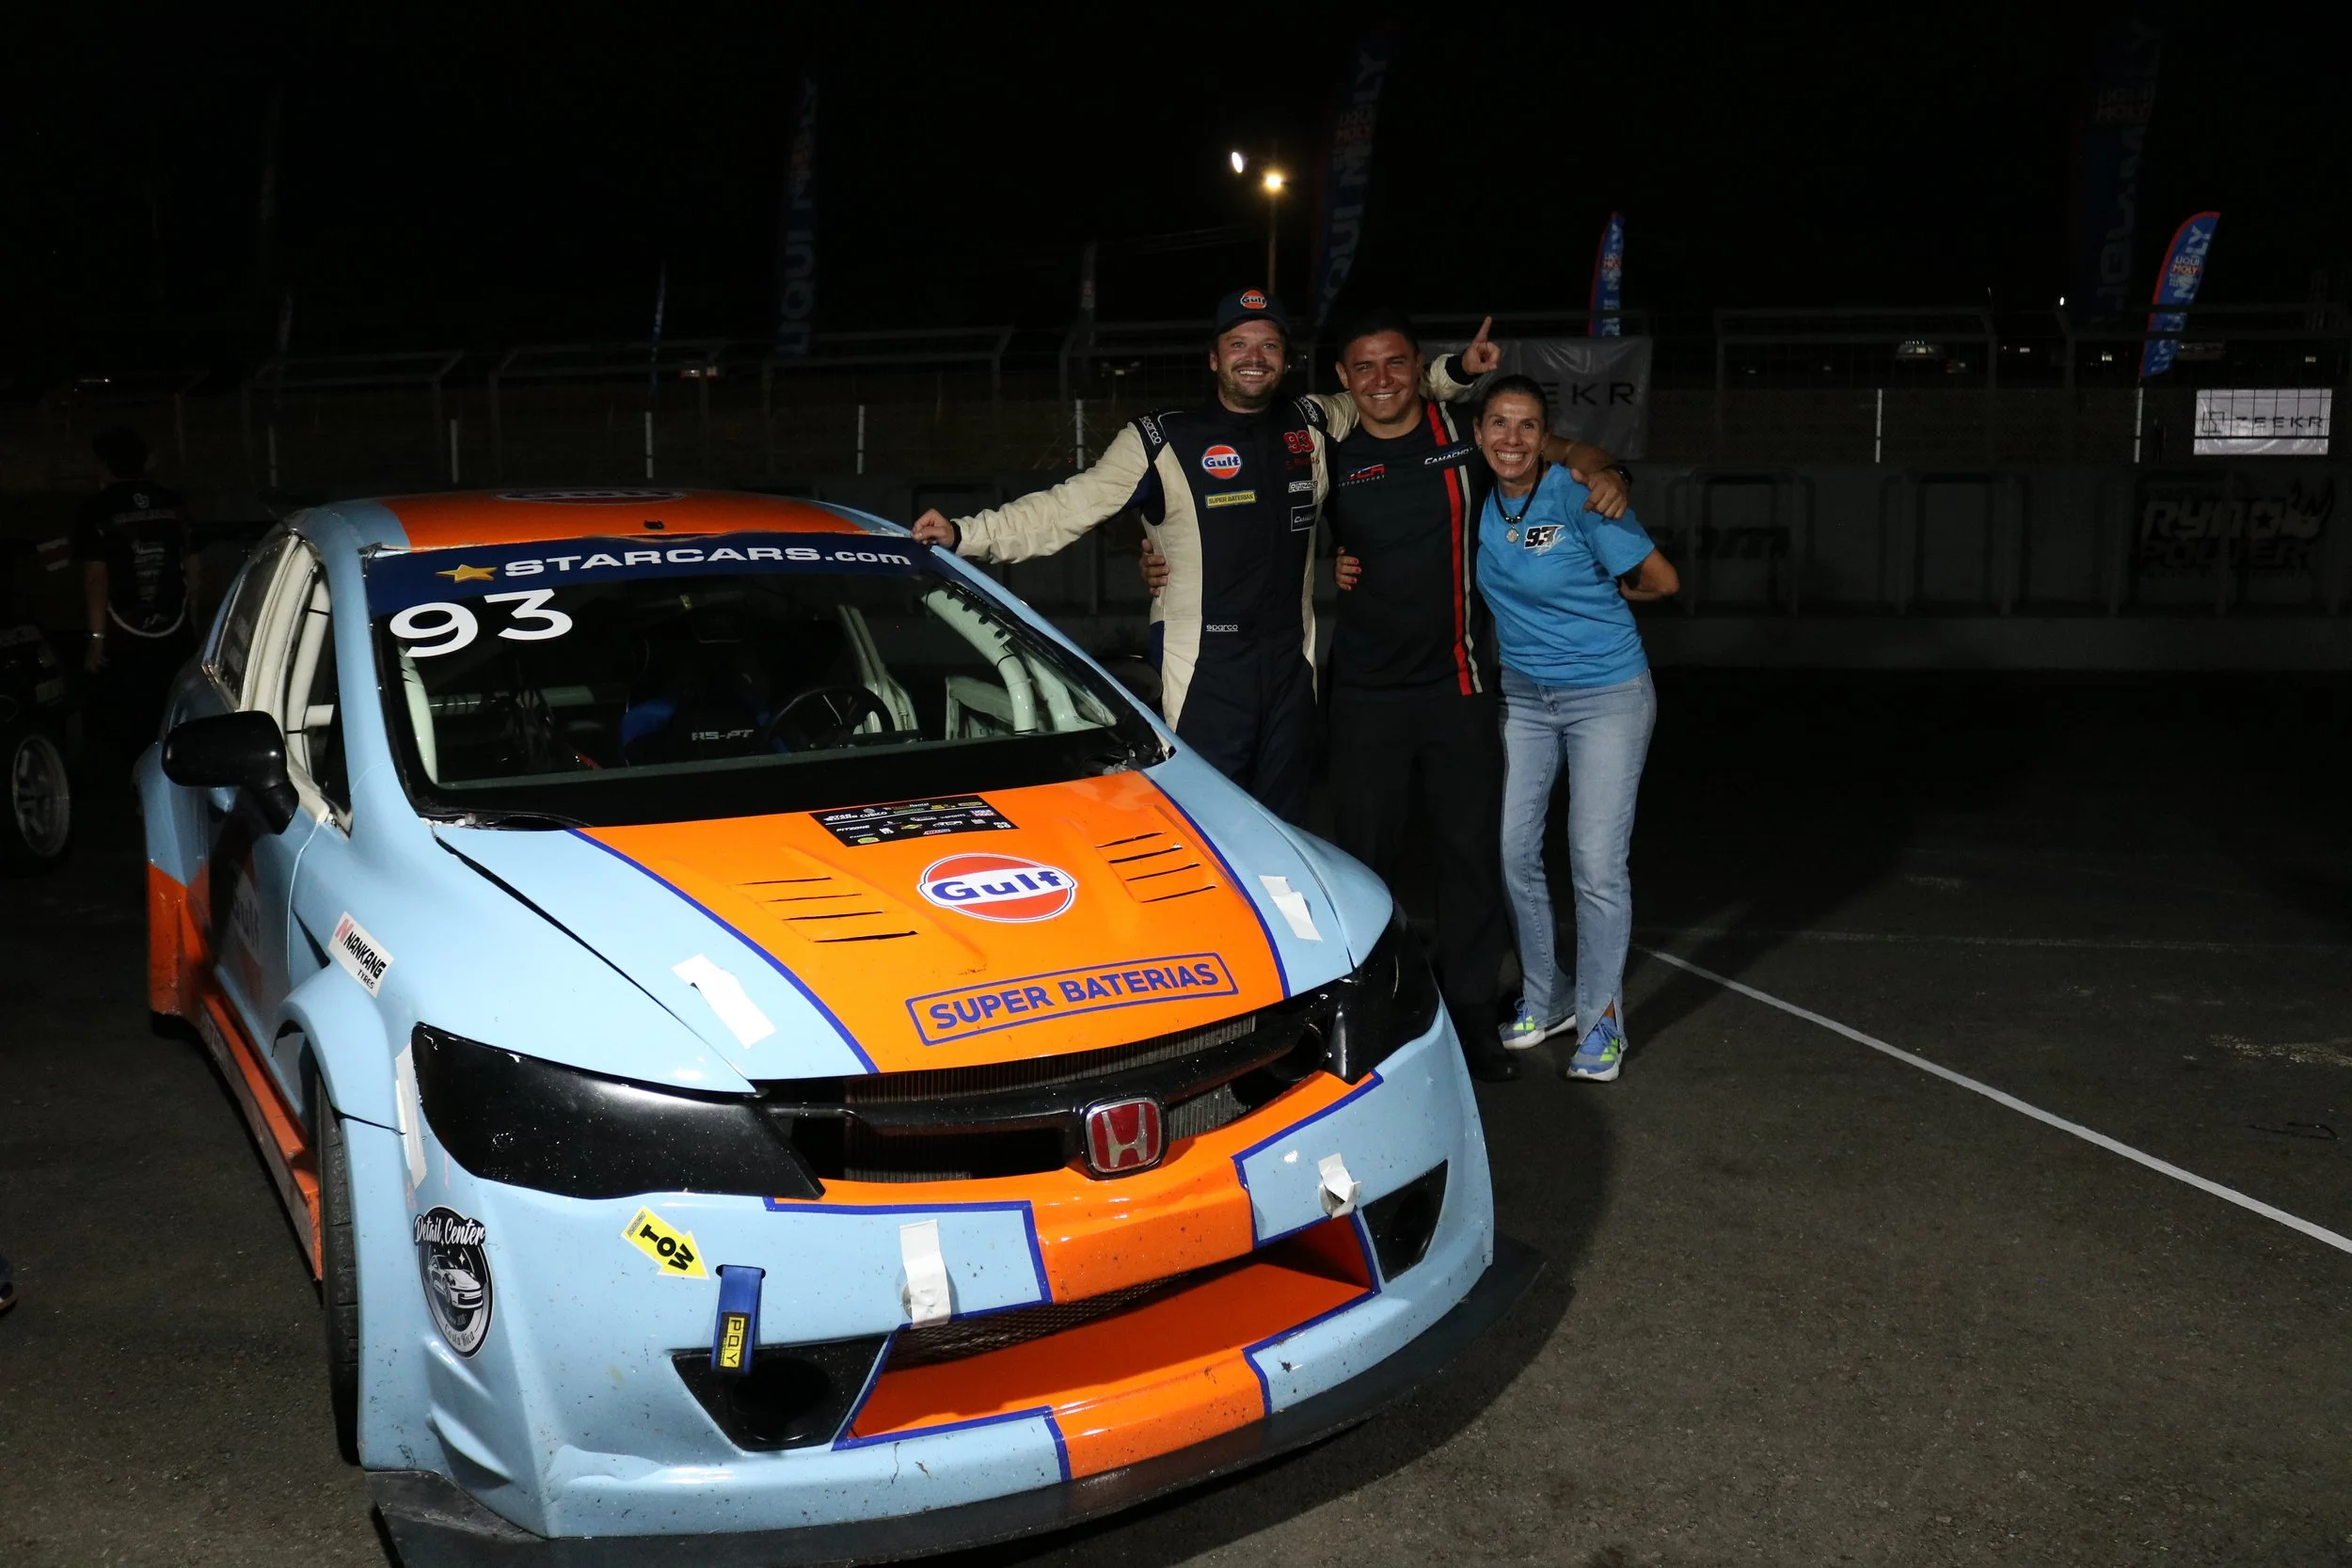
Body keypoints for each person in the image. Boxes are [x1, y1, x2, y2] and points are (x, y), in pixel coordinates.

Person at [1165, 309, 1626, 1082]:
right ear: (1344, 380)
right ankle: (1366, 1013)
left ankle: (1474, 1017)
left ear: (1420, 367)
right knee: (1360, 863)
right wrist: (1158, 559)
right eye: (1364, 368)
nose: (1382, 381)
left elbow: (1550, 449)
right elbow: (1236, 530)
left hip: (1460, 687)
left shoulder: (1464, 434)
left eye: (1396, 364)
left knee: (1468, 860)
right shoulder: (1326, 449)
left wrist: (1600, 465)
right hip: (1365, 696)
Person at [912, 290, 1499, 825]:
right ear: (1214, 359)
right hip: (1205, 669)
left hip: (1293, 667)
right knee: (1206, 830)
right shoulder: (1161, 437)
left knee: (1285, 830)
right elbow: (1071, 505)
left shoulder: (1312, 420)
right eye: (1238, 344)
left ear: (1284, 361)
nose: (1254, 356)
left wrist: (1459, 372)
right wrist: (967, 533)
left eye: (1269, 345)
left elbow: (1387, 393)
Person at [1471, 374, 1677, 1082]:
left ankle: (1601, 1022)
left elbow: (1663, 580)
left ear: (1544, 436)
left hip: (1607, 696)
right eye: (1499, 423)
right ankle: (1546, 995)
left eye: (1527, 426)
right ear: (1479, 434)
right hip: (1524, 697)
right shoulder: (1477, 502)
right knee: (1512, 849)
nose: (1511, 438)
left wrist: (1615, 586)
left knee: (1593, 863)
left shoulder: (1580, 493)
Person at [75, 427, 199, 786]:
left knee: (129, 710)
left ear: (103, 465)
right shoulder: (173, 503)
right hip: (173, 625)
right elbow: (193, 566)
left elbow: (96, 577)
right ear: (146, 462)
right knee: (171, 704)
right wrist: (191, 618)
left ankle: (141, 785)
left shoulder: (98, 509)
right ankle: (176, 778)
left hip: (124, 629)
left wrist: (96, 637)